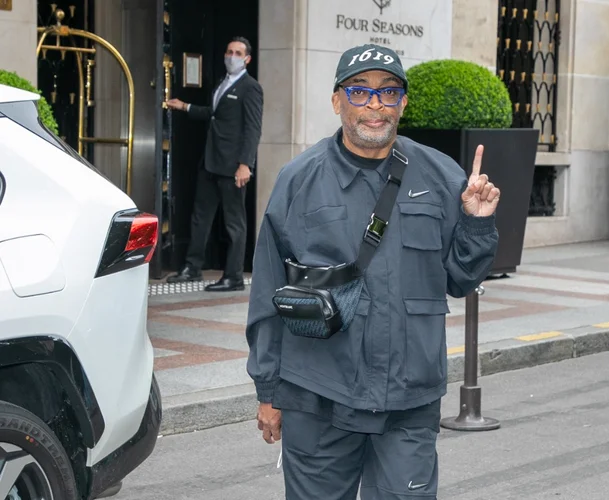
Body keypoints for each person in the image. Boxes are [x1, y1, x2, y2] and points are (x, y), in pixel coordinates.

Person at [245, 43, 500, 499]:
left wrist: (477, 223)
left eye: (388, 92)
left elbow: (462, 280)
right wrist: (268, 390)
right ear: (337, 100)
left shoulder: (442, 177)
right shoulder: (299, 179)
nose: (375, 106)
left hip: (408, 398)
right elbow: (268, 289)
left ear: (403, 102)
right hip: (317, 394)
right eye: (360, 92)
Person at [165, 36, 263, 292]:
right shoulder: (223, 83)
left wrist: (245, 164)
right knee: (200, 218)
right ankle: (192, 268)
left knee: (234, 224)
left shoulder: (250, 87)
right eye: (229, 51)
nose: (231, 56)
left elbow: (252, 128)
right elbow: (213, 114)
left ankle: (233, 276)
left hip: (232, 167)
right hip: (210, 162)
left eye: (237, 52)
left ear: (247, 59)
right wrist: (184, 106)